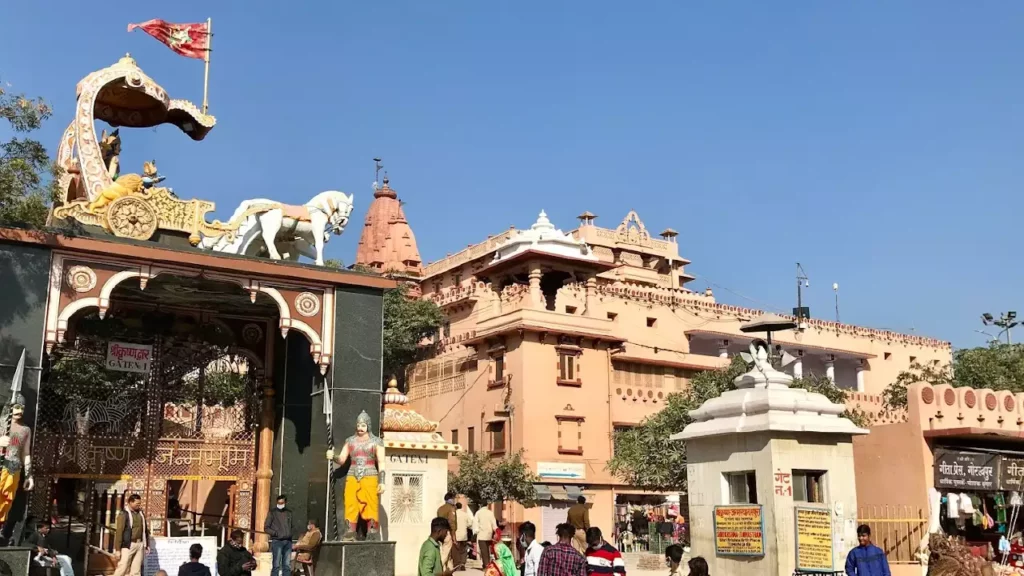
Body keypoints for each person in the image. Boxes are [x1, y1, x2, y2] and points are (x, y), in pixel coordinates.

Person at [113, 494, 151, 576]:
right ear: (130, 502)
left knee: (136, 570)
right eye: (137, 504)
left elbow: (145, 530)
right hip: (128, 544)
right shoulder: (124, 514)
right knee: (123, 567)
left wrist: (146, 544)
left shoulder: (140, 513)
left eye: (139, 503)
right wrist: (118, 549)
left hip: (140, 544)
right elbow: (119, 532)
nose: (139, 505)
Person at [265, 495, 294, 576]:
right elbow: (266, 528)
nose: (280, 504)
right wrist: (276, 534)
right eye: (279, 503)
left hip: (288, 541)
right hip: (277, 541)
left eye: (282, 503)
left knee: (287, 565)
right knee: (276, 565)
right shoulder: (272, 512)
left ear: (285, 502)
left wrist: (290, 534)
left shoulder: (289, 512)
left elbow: (291, 526)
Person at [437, 492, 458, 570]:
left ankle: (448, 571)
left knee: (448, 556)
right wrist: (454, 537)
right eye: (453, 498)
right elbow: (452, 523)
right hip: (447, 533)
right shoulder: (451, 508)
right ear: (450, 499)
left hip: (440, 533)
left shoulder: (440, 508)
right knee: (445, 554)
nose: (454, 500)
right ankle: (437, 569)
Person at [475, 502, 499, 568]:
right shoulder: (490, 513)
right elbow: (494, 524)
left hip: (481, 535)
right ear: (487, 505)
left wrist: (476, 532)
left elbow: (475, 524)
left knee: (483, 551)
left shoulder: (478, 513)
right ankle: (488, 564)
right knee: (488, 550)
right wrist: (496, 531)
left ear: (480, 505)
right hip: (489, 534)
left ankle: (486, 564)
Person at [455, 503, 474, 570]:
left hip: (456, 535)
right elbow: (470, 523)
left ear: (455, 507)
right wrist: (465, 525)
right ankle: (463, 563)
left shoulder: (454, 514)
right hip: (463, 535)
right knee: (463, 550)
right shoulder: (465, 514)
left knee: (456, 550)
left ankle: (457, 564)